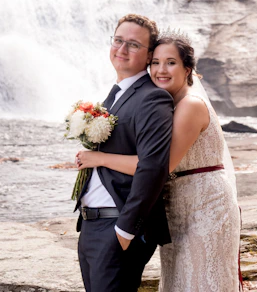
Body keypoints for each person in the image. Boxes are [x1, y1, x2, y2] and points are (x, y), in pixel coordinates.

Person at [76, 31, 241, 292]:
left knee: (200, 281)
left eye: (171, 62)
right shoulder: (168, 103)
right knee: (179, 281)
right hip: (178, 207)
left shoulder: (190, 105)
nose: (160, 70)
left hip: (204, 207)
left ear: (188, 69)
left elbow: (159, 166)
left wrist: (100, 158)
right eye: (155, 62)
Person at [74, 14, 173, 292]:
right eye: (118, 41)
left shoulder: (153, 98)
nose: (121, 49)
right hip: (92, 225)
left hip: (117, 226)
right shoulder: (116, 94)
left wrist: (126, 230)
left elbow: (153, 168)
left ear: (149, 54)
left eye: (133, 44)